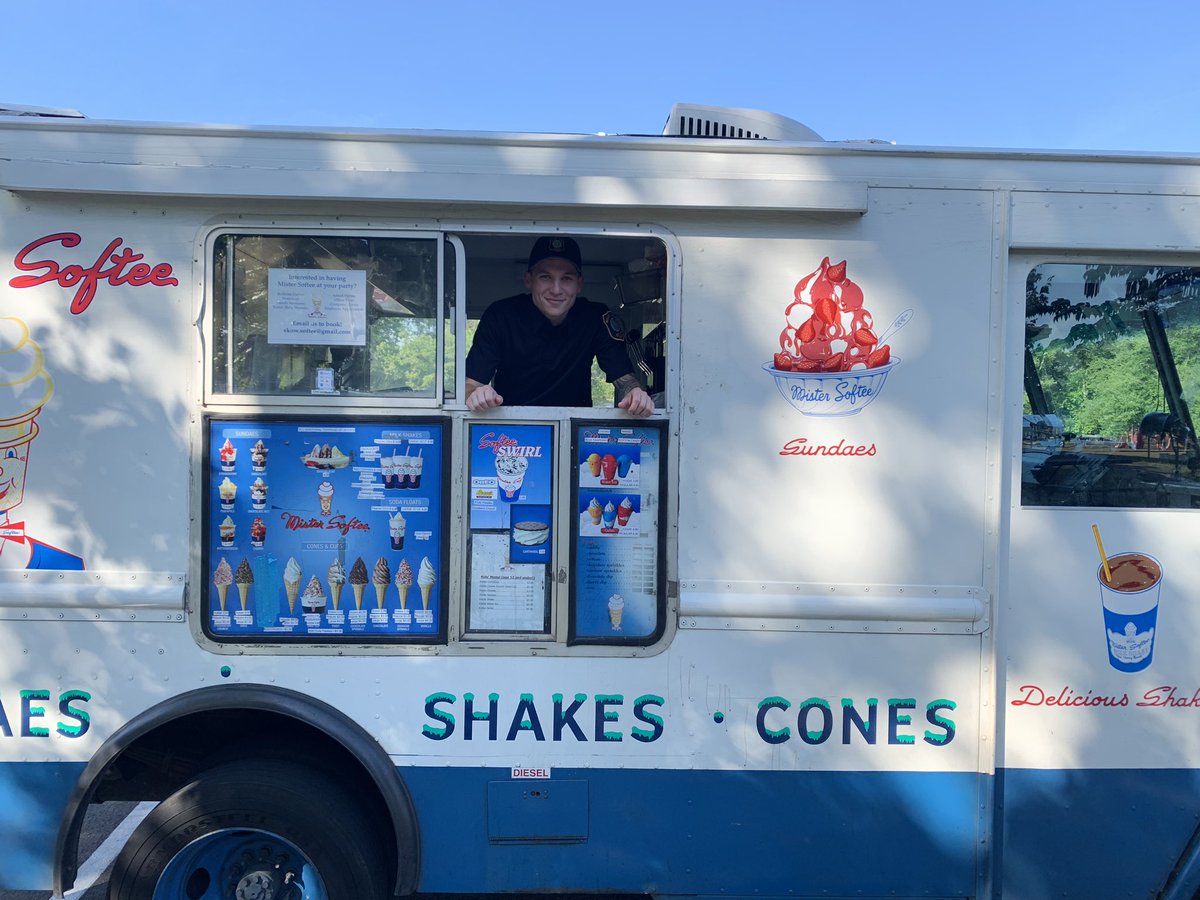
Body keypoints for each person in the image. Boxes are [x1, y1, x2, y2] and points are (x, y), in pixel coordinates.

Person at [465, 236, 654, 417]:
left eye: (566, 278)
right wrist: (478, 395)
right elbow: (470, 386)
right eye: (545, 277)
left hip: (573, 433)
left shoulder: (594, 317)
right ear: (528, 280)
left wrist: (635, 394)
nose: (556, 290)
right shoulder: (501, 316)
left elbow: (625, 380)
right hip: (511, 437)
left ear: (579, 284)